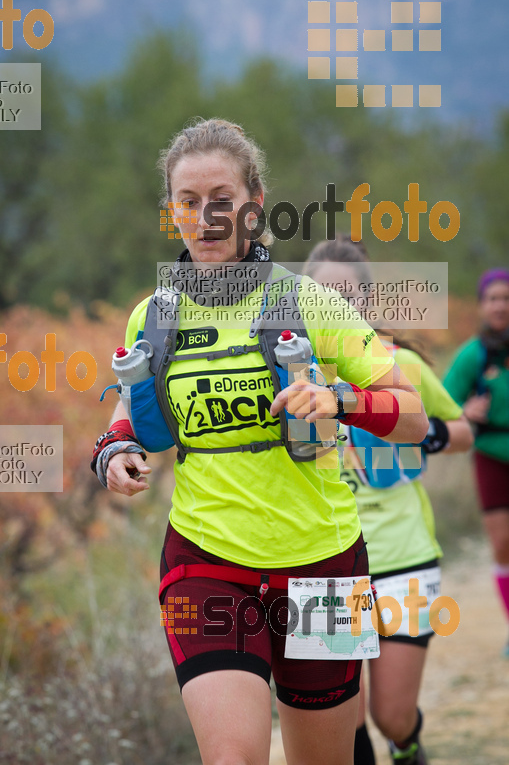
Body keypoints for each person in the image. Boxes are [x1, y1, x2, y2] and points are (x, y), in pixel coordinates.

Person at [91, 118, 429, 765]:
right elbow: (132, 417)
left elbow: (412, 418)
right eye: (188, 203)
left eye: (223, 199)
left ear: (255, 206)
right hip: (206, 561)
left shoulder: (312, 304)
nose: (206, 216)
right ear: (172, 213)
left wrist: (342, 401)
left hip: (322, 563)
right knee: (231, 759)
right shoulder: (153, 315)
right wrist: (115, 452)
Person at [305, 237, 473, 765]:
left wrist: (413, 434)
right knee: (342, 724)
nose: (332, 304)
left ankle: (409, 746)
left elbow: (461, 428)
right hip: (323, 562)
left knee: (391, 718)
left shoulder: (400, 366)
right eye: (319, 294)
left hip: (402, 557)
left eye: (343, 295)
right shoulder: (284, 371)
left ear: (365, 304)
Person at [443, 268, 509, 658]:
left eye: (507, 298)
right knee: (503, 545)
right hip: (490, 455)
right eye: (494, 299)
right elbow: (442, 406)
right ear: (483, 306)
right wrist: (465, 409)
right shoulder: (473, 354)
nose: (501, 305)